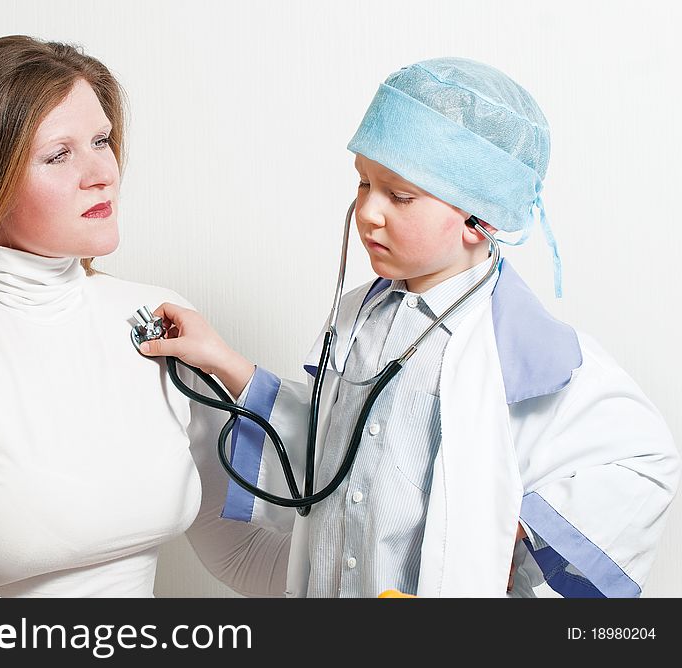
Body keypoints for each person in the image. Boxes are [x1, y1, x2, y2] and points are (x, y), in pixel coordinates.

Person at [139, 57, 680, 597]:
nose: (369, 212)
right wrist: (219, 360)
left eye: (400, 196)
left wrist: (522, 532)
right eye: (363, 183)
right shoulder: (359, 316)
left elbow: (646, 464)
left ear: (480, 218)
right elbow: (329, 455)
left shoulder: (526, 354)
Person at [0, 35, 289, 597]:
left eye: (101, 141)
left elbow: (238, 548)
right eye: (58, 154)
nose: (102, 174)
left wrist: (387, 574)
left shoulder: (159, 319)